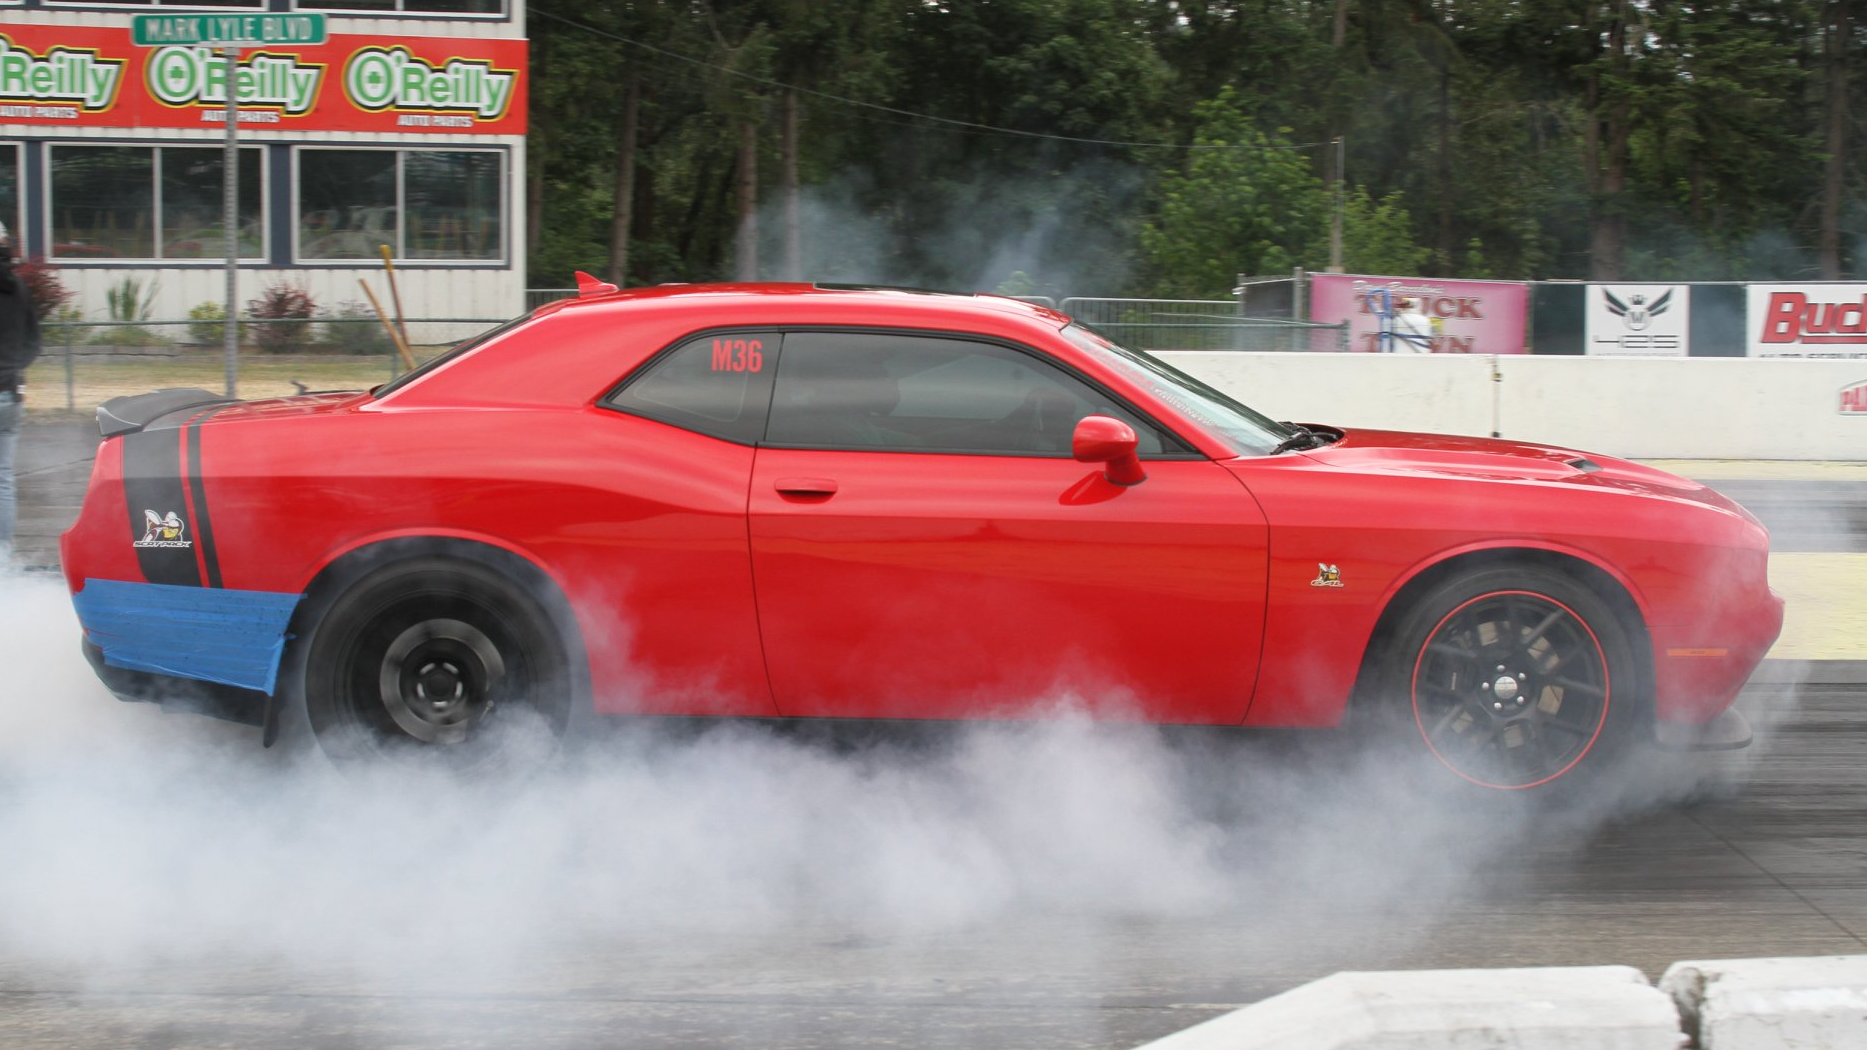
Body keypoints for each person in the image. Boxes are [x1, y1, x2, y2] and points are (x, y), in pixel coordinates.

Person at [0, 220, 44, 562]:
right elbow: (33, 342)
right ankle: (2, 557)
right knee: (3, 479)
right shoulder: (18, 287)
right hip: (10, 394)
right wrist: (11, 370)